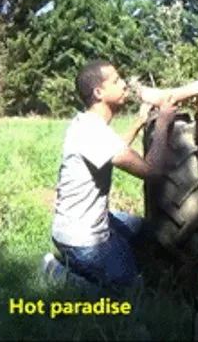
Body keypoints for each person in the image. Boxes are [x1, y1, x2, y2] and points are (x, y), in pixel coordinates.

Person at [41, 60, 177, 291]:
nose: (124, 84)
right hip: (83, 240)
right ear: (99, 92)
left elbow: (115, 149)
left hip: (79, 223)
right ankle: (59, 274)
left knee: (143, 230)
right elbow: (152, 173)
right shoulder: (93, 132)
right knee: (131, 291)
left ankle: (93, 264)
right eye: (116, 80)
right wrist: (164, 122)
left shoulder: (89, 125)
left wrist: (139, 121)